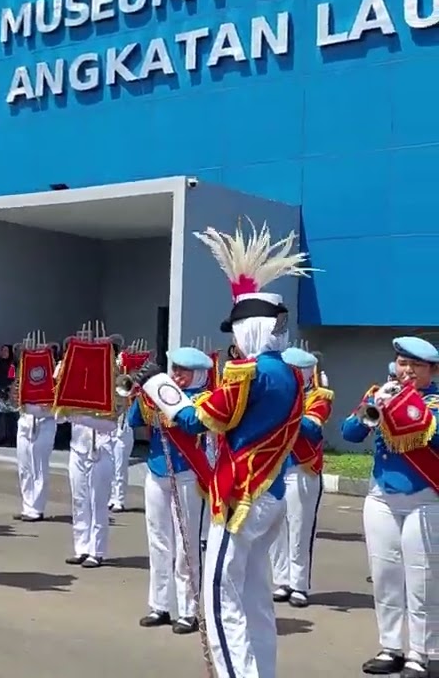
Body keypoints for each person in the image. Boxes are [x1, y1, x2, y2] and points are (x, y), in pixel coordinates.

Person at [128, 221, 311, 678]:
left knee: (219, 600)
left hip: (240, 498)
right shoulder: (289, 373)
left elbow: (196, 420)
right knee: (254, 600)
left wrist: (158, 384)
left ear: (250, 329)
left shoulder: (248, 373)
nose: (232, 339)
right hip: (267, 496)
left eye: (236, 329)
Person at [341, 336, 439, 678]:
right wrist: (376, 405)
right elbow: (349, 433)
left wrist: (405, 406)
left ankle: (422, 652)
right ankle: (391, 647)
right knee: (385, 575)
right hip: (382, 495)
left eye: (416, 365)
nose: (408, 370)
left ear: (432, 370)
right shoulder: (379, 392)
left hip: (424, 497)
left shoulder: (436, 401)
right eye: (402, 363)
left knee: (422, 578)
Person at [129, 346, 214, 634]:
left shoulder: (203, 399)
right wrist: (144, 389)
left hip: (187, 474)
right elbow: (133, 420)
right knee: (158, 540)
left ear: (199, 374)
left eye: (184, 371)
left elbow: (190, 424)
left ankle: (189, 610)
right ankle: (159, 605)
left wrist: (162, 388)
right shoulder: (160, 391)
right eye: (174, 369)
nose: (176, 375)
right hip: (157, 471)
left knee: (186, 544)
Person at [269, 346, 332, 609]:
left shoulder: (319, 396)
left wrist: (286, 408)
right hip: (274, 468)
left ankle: (299, 584)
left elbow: (312, 429)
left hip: (301, 469)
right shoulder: (275, 395)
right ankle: (281, 580)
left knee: (299, 528)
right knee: (275, 528)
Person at [65, 407, 117, 568]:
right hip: (77, 447)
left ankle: (97, 551)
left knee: (98, 502)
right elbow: (59, 418)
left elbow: (111, 424)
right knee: (79, 500)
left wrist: (81, 417)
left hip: (101, 449)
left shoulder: (110, 387)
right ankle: (82, 548)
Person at [15, 346, 58, 522]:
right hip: (25, 420)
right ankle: (27, 506)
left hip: (44, 421)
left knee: (39, 466)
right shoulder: (24, 370)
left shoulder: (56, 374)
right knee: (24, 467)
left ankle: (37, 508)